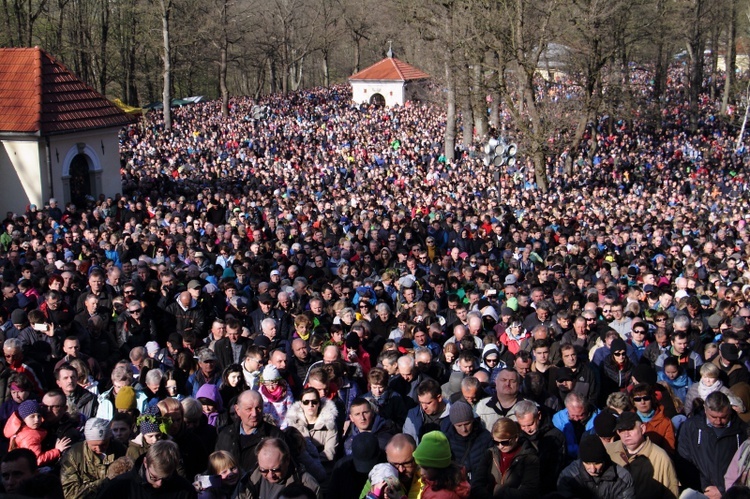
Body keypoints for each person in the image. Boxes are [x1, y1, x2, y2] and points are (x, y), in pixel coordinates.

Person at [678, 391, 748, 498]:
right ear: (705, 410)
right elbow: (684, 461)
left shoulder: (742, 430)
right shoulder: (691, 427)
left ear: (729, 410)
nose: (718, 421)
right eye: (713, 417)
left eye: (723, 417)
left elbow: (743, 468)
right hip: (700, 492)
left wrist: (722, 490)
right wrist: (705, 489)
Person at [605, 411, 679, 499]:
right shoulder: (609, 451)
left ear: (642, 429)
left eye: (630, 428)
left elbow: (672, 493)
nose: (626, 434)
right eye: (621, 430)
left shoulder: (661, 457)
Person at [97, 440, 197, 498]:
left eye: (166, 478)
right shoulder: (119, 487)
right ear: (145, 463)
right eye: (154, 477)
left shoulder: (185, 491)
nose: (159, 483)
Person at [215, 390, 283, 471]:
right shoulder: (225, 434)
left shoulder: (275, 436)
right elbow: (217, 466)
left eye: (258, 408)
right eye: (248, 409)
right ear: (237, 410)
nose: (254, 414)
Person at [471, 417, 539, 498]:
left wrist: (498, 490)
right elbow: (477, 484)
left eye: (505, 442)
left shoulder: (529, 458)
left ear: (516, 438)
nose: (500, 446)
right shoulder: (489, 454)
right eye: (495, 442)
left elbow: (528, 492)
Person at [232, 437, 321, 499]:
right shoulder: (248, 481)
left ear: (287, 460)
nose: (271, 475)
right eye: (264, 470)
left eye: (276, 470)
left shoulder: (307, 484)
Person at [60, 417, 128, 498]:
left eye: (103, 444)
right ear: (87, 441)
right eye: (94, 445)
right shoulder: (73, 455)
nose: (99, 449)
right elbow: (69, 493)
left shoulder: (119, 449)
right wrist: (104, 482)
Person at [557, 434, 635, 499]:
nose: (593, 469)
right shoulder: (569, 476)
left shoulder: (622, 478)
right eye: (587, 463)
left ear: (604, 460)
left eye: (597, 463)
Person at [513, 399, 566, 494]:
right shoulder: (517, 436)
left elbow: (557, 468)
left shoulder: (556, 436)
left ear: (539, 416)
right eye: (523, 426)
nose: (527, 430)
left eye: (530, 424)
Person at [3, 399, 71, 466]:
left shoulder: (21, 430)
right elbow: (37, 460)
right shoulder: (30, 436)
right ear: (23, 419)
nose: (36, 420)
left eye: (39, 416)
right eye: (32, 417)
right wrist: (57, 450)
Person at [443, 401, 492, 485]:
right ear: (453, 424)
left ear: (472, 420)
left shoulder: (486, 437)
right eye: (459, 425)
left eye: (467, 424)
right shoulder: (446, 440)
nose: (464, 429)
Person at [286, 387, 338, 464]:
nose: (310, 405)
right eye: (306, 402)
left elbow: (330, 453)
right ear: (301, 404)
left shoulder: (329, 424)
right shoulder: (294, 424)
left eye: (314, 402)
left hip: (325, 468)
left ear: (319, 403)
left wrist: (310, 461)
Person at [411, 430, 470, 499]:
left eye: (426, 468)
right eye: (420, 467)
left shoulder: (441, 496)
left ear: (438, 467)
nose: (421, 472)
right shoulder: (445, 482)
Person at [629, 383, 675, 455]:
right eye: (638, 399)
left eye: (646, 398)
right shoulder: (628, 420)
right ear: (633, 402)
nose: (642, 402)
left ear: (652, 399)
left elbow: (669, 450)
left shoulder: (665, 422)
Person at [552, 392, 600, 460]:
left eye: (581, 415)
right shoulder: (558, 420)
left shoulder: (598, 419)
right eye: (573, 415)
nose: (576, 419)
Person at [403, 379, 450, 444]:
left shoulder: (454, 416)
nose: (424, 407)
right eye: (421, 402)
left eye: (428, 403)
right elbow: (407, 442)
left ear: (439, 398)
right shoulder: (413, 415)